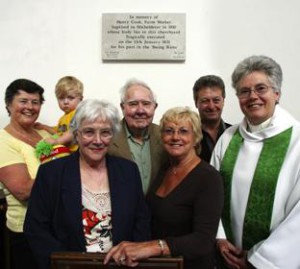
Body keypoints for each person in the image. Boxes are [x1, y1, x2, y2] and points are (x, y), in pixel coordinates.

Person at [24, 99, 150, 269]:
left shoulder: (128, 171)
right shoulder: (51, 173)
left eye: (105, 132)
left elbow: (141, 222)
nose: (97, 140)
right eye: (89, 132)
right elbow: (36, 228)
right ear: (76, 134)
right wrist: (63, 264)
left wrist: (133, 258)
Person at [104, 107, 224, 269]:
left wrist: (153, 247)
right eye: (169, 131)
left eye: (183, 131)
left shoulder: (208, 178)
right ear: (161, 137)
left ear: (196, 137)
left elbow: (203, 241)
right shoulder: (165, 168)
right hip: (162, 264)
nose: (175, 137)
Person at [211, 55, 300, 268]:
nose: (253, 97)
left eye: (261, 88)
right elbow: (210, 193)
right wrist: (220, 237)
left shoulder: (297, 140)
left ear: (277, 93)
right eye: (244, 91)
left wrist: (259, 259)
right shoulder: (229, 138)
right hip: (227, 256)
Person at [0, 79, 51, 269]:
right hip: (26, 231)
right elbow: (22, 190)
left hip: (55, 225)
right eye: (23, 101)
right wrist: (58, 172)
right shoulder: (2, 141)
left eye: (35, 102)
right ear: (8, 104)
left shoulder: (45, 135)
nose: (30, 107)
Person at [108, 79, 167, 194]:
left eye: (146, 104)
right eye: (133, 104)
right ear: (122, 107)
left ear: (154, 107)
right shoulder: (108, 137)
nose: (140, 110)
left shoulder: (165, 136)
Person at [36, 76, 84, 152]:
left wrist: (57, 142)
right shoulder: (63, 118)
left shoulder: (79, 113)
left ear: (80, 99)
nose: (65, 102)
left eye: (70, 98)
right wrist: (44, 127)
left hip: (78, 152)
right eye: (61, 98)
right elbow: (58, 132)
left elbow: (72, 132)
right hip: (67, 152)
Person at [193, 75, 231, 162]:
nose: (211, 106)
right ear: (196, 103)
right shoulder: (188, 136)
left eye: (216, 100)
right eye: (205, 101)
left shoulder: (236, 134)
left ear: (223, 101)